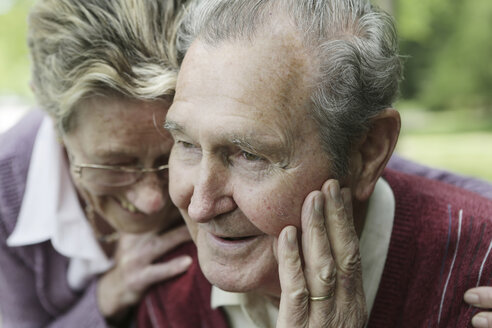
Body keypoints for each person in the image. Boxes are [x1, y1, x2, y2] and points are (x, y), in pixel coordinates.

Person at [137, 0, 492, 327]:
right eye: (186, 144)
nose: (199, 207)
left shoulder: (480, 275)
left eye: (249, 155)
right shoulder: (164, 288)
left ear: (368, 152)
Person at [0, 0, 192, 326]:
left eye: (173, 154)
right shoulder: (5, 198)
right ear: (55, 120)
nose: (153, 200)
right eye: (116, 165)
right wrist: (108, 295)